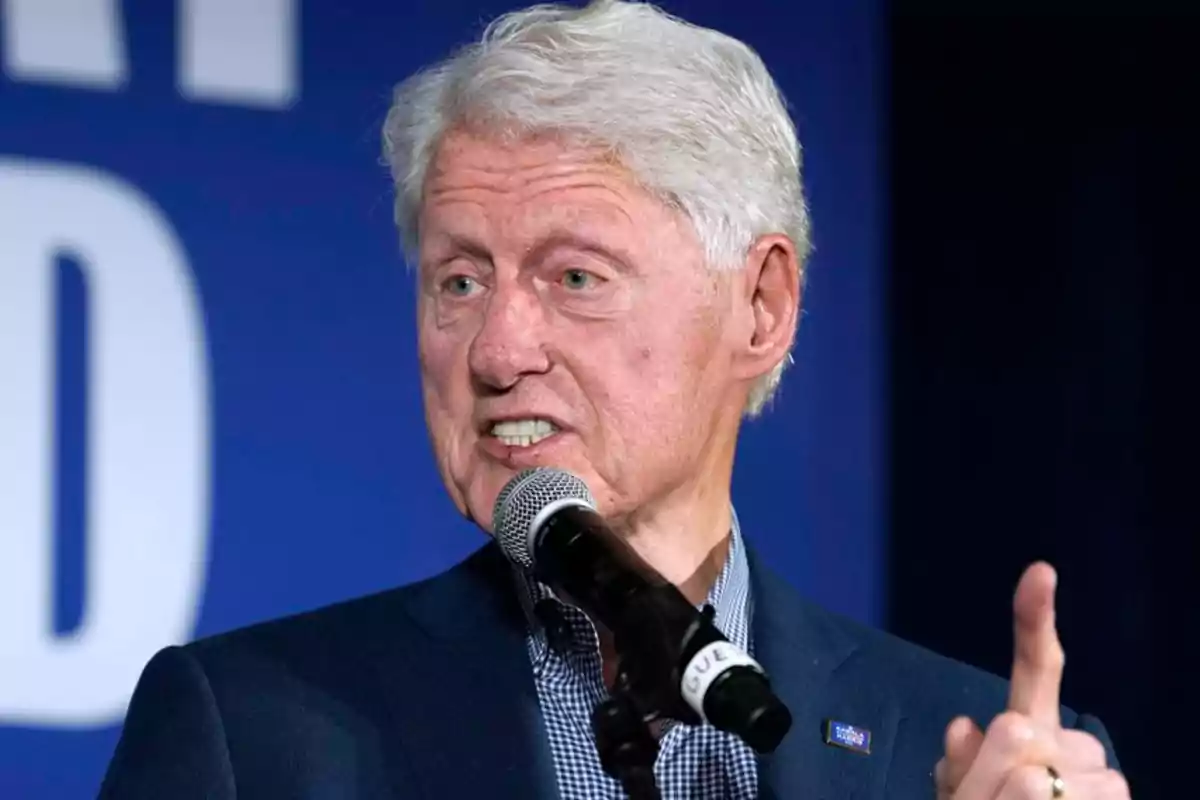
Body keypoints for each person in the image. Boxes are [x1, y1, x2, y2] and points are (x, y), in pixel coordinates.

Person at [98, 2, 1130, 798]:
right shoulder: (254, 734)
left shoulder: (973, 749)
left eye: (574, 276)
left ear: (761, 306)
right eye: (460, 280)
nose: (497, 350)